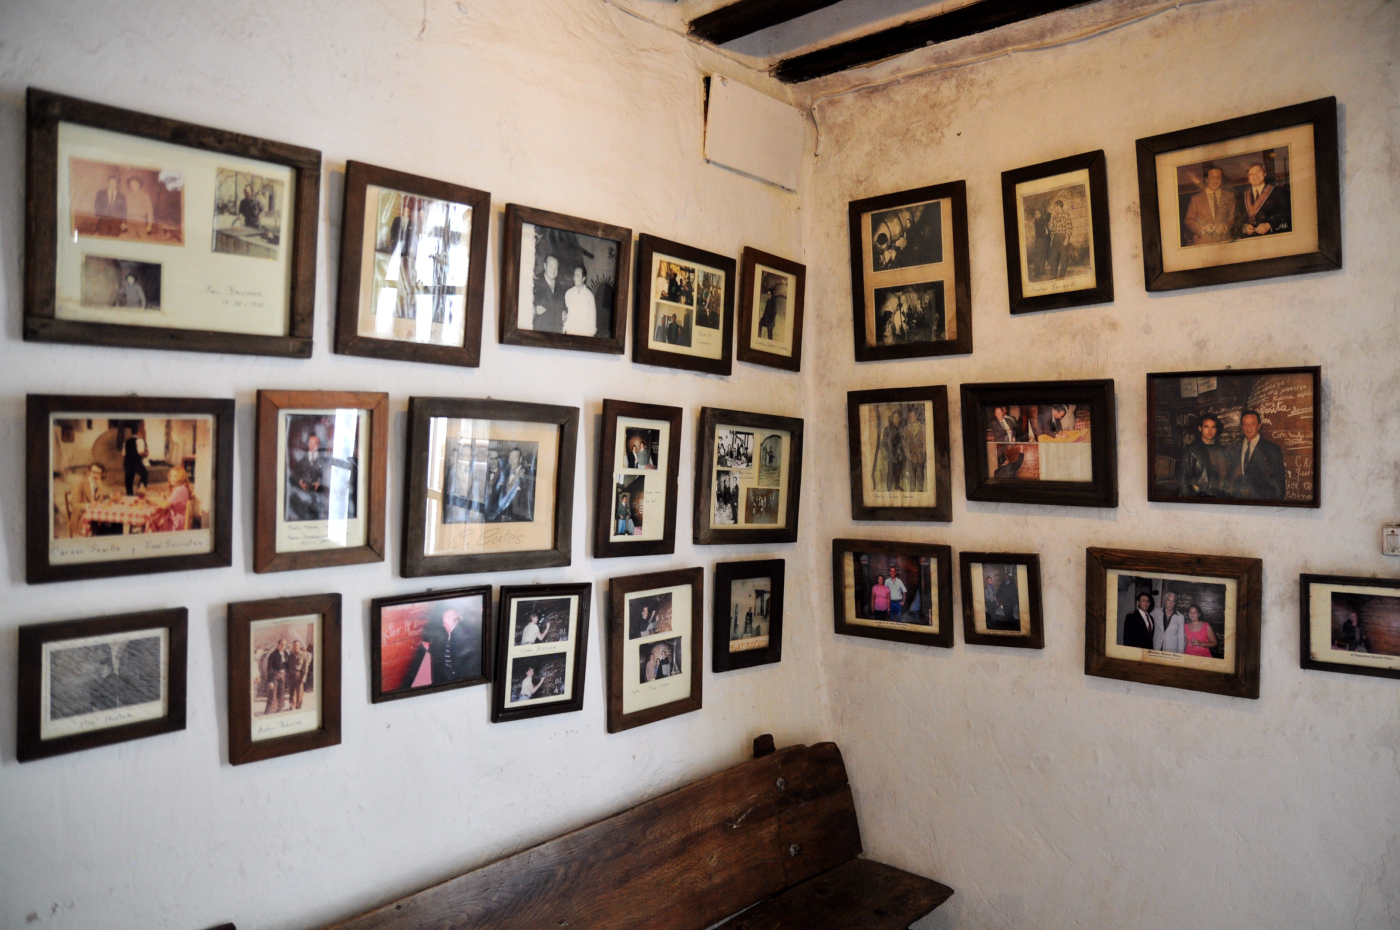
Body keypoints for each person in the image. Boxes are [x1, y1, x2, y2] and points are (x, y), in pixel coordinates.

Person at [401, 608, 476, 689]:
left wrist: (454, 676)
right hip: (449, 675)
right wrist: (429, 648)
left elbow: (460, 661)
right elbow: (444, 652)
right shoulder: (450, 634)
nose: (443, 624)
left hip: (456, 678)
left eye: (444, 621)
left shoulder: (460, 636)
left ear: (450, 619)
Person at [1230, 409, 1286, 499]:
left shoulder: (1272, 449)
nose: (1249, 428)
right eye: (1245, 424)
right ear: (1242, 427)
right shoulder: (1233, 448)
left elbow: (1279, 483)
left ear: (1259, 426)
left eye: (1253, 424)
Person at [1177, 414, 1231, 497]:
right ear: (1200, 428)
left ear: (1216, 429)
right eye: (1206, 427)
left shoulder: (1222, 450)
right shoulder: (1191, 450)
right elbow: (1183, 478)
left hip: (1219, 497)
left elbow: (1226, 476)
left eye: (1213, 427)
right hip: (1199, 497)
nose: (1210, 431)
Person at [1184, 166, 1238, 244]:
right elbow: (1189, 220)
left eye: (1218, 177)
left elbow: (1233, 218)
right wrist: (1202, 228)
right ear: (1206, 180)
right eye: (1212, 178)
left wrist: (1225, 227)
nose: (1215, 181)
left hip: (1224, 242)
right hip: (1203, 242)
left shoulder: (1230, 196)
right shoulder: (1195, 199)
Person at [1240, 162, 1290, 237]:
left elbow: (1286, 213)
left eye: (1258, 172)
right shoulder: (1242, 196)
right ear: (1248, 179)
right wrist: (1244, 227)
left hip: (1272, 236)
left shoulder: (1279, 192)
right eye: (1251, 174)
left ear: (1264, 173)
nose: (1255, 175)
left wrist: (1269, 225)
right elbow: (1237, 219)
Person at [289, 434, 331, 521]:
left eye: (315, 443)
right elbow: (292, 478)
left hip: (320, 503)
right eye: (311, 443)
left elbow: (329, 481)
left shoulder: (325, 461)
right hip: (304, 503)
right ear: (308, 444)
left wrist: (319, 484)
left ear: (319, 445)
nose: (313, 445)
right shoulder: (301, 461)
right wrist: (300, 483)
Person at [69, 461, 110, 537]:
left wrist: (110, 497)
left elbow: (99, 497)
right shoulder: (80, 483)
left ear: (102, 474)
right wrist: (88, 505)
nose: (95, 475)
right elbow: (74, 505)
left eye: (98, 473)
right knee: (109, 530)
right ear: (89, 472)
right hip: (82, 518)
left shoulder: (99, 482)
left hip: (96, 517)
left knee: (116, 524)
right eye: (93, 472)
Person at [145, 466, 190, 533]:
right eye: (170, 476)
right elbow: (174, 501)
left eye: (174, 476)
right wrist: (164, 496)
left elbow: (165, 505)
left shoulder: (179, 490)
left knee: (154, 521)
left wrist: (155, 500)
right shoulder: (183, 487)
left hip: (176, 525)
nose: (171, 478)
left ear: (181, 477)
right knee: (157, 519)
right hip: (180, 520)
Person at [871, 407, 907, 492]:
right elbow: (884, 443)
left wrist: (902, 452)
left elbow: (903, 441)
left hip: (899, 455)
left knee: (898, 472)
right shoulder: (888, 429)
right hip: (891, 455)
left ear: (899, 418)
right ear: (892, 418)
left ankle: (897, 486)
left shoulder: (901, 428)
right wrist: (889, 452)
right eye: (895, 417)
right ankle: (889, 490)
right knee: (890, 473)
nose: (896, 419)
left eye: (897, 417)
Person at [531, 254, 568, 332]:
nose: (553, 270)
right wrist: (534, 310)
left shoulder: (560, 286)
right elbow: (523, 307)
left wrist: (564, 312)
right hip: (539, 331)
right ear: (545, 266)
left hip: (556, 332)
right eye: (551, 266)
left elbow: (564, 306)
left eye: (556, 268)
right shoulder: (534, 282)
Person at [563, 264, 597, 336]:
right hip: (570, 332)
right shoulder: (568, 293)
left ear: (583, 278)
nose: (574, 278)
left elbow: (592, 320)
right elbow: (565, 314)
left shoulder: (589, 296)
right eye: (574, 275)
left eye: (577, 275)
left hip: (583, 334)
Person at [983, 566, 1021, 631]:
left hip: (1010, 603)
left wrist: (1014, 602)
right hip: (1004, 602)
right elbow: (998, 593)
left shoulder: (1012, 585)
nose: (1006, 578)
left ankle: (1012, 626)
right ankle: (1005, 625)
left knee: (1010, 615)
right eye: (1005, 577)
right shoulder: (1002, 585)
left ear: (1009, 578)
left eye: (1007, 577)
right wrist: (999, 600)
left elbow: (1015, 594)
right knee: (1005, 614)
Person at [1046, 200, 1073, 279]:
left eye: (1054, 207)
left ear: (1058, 206)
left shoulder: (1066, 215)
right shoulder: (1054, 217)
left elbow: (1069, 227)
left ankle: (1061, 275)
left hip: (1063, 236)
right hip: (1055, 237)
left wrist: (1067, 239)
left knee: (1064, 256)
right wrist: (1050, 227)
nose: (1054, 209)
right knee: (1053, 257)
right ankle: (1053, 275)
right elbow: (1051, 228)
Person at [263, 638, 289, 714]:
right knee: (272, 692)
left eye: (284, 645)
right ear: (278, 645)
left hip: (283, 676)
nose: (283, 646)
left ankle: (279, 708)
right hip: (274, 676)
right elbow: (269, 669)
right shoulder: (273, 655)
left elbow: (287, 665)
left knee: (281, 692)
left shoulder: (286, 654)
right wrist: (270, 681)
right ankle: (269, 710)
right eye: (281, 644)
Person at [123, 427, 149, 495]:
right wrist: (146, 453)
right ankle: (140, 490)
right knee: (144, 474)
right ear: (138, 432)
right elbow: (140, 452)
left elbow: (123, 454)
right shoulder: (139, 440)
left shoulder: (126, 441)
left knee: (129, 479)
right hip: (136, 462)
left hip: (127, 462)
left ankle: (129, 494)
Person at [905, 411, 927, 492]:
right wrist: (908, 454)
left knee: (920, 473)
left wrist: (923, 452)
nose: (911, 418)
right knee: (912, 474)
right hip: (911, 455)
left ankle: (920, 489)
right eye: (910, 417)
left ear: (916, 416)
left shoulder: (923, 427)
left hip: (920, 455)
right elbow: (906, 443)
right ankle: (912, 490)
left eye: (913, 416)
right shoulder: (907, 428)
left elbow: (925, 442)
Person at [286, 640, 311, 710]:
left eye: (297, 646)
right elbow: (287, 666)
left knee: (299, 692)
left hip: (299, 675)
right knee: (291, 691)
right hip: (291, 675)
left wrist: (304, 677)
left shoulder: (303, 655)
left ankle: (298, 705)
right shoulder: (290, 656)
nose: (295, 647)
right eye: (294, 646)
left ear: (299, 646)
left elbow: (305, 667)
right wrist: (287, 675)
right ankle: (291, 705)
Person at [1028, 207, 1049, 277]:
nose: (1039, 213)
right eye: (1037, 212)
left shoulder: (1041, 220)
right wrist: (1049, 213)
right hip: (1040, 240)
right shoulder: (1037, 221)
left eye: (1039, 212)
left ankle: (1042, 272)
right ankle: (1037, 273)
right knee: (1038, 256)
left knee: (1043, 256)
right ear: (1035, 216)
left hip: (1044, 239)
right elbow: (1046, 220)